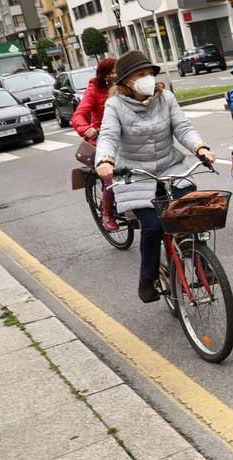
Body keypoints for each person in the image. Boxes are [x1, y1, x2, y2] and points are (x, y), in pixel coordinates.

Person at [93, 51, 216, 303]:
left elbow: (182, 127)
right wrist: (105, 160)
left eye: (149, 73)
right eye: (141, 74)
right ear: (126, 81)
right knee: (152, 227)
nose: (147, 78)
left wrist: (200, 147)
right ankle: (147, 278)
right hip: (134, 174)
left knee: (189, 215)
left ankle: (201, 262)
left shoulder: (165, 97)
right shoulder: (114, 105)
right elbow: (108, 136)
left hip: (171, 168)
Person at [73, 57, 120, 231]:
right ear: (105, 75)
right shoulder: (93, 91)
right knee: (111, 178)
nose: (116, 74)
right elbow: (78, 116)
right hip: (102, 139)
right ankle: (107, 212)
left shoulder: (125, 84)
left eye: (118, 70)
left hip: (123, 135)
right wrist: (86, 129)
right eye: (112, 71)